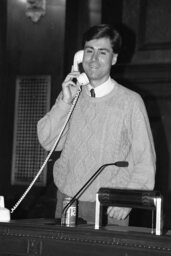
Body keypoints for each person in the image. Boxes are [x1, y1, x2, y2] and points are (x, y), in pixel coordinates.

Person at [37, 24, 156, 226]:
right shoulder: (71, 95)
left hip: (111, 204)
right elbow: (48, 141)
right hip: (67, 199)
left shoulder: (130, 101)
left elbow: (145, 158)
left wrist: (128, 198)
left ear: (114, 58)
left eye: (102, 52)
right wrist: (65, 102)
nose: (93, 59)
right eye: (89, 51)